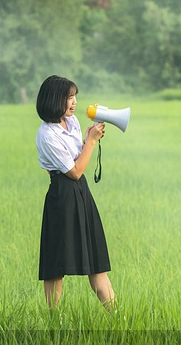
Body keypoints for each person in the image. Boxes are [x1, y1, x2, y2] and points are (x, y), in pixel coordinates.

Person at [35, 75, 116, 311]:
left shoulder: (72, 123)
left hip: (82, 194)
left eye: (74, 97)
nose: (74, 102)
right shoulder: (47, 135)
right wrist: (90, 142)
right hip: (62, 195)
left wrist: (88, 139)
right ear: (54, 100)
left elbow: (79, 159)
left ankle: (118, 319)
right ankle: (54, 321)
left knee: (96, 260)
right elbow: (75, 171)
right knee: (56, 264)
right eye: (69, 97)